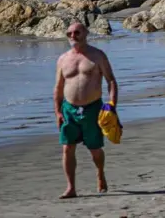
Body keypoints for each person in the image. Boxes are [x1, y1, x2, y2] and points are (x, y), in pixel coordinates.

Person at [54, 21, 118, 199]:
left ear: (86, 33)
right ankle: (71, 188)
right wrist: (57, 111)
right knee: (67, 148)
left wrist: (112, 105)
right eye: (69, 33)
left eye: (77, 32)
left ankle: (100, 173)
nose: (72, 36)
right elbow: (58, 88)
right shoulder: (63, 59)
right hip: (69, 109)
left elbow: (111, 81)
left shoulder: (97, 55)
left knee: (95, 149)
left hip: (92, 109)